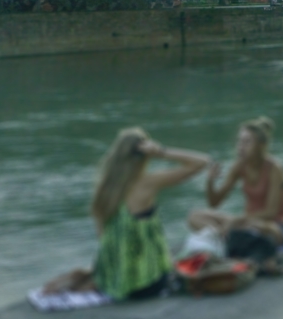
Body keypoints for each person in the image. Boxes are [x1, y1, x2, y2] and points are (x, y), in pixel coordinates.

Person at [48, 128, 210, 301]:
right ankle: (88, 277)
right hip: (144, 283)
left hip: (112, 277)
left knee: (100, 268)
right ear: (144, 155)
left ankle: (87, 277)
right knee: (190, 261)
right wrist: (161, 152)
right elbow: (202, 162)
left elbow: (104, 239)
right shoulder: (147, 184)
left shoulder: (105, 187)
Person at [188, 117, 283, 273]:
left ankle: (230, 241)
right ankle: (227, 237)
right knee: (195, 216)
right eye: (239, 141)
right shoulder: (239, 166)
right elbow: (214, 203)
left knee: (259, 228)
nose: (240, 147)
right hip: (247, 222)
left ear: (260, 145)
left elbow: (271, 212)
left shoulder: (275, 168)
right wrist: (210, 181)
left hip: (275, 225)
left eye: (247, 142)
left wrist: (237, 221)